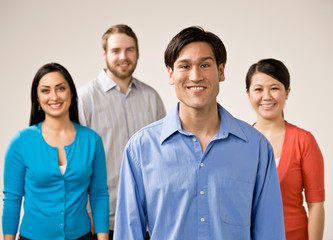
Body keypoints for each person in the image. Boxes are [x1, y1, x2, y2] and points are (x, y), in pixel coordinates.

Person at [113, 26, 285, 239]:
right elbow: (128, 233)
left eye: (205, 65)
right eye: (184, 66)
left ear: (221, 71)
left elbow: (270, 231)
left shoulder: (256, 147)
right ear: (171, 74)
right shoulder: (140, 148)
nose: (195, 76)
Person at [2, 63, 109, 240]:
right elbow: (12, 200)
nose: (54, 96)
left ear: (71, 92)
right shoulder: (21, 142)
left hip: (82, 237)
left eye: (61, 88)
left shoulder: (92, 140)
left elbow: (99, 195)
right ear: (37, 97)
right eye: (45, 90)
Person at [77, 24, 165, 239]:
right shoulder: (84, 99)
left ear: (138, 53)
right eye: (116, 50)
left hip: (147, 219)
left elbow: (165, 157)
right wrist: (87, 213)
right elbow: (76, 161)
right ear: (104, 54)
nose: (123, 57)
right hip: (101, 220)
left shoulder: (151, 97)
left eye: (130, 50)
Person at [246, 58, 325, 239]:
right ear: (248, 94)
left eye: (274, 88)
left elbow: (316, 205)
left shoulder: (304, 141)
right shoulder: (240, 142)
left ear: (287, 92)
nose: (266, 97)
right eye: (258, 89)